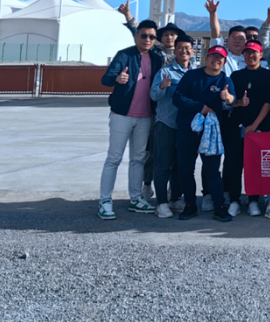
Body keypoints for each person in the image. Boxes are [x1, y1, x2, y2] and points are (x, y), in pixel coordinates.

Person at [98, 19, 164, 220]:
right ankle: (105, 201)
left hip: (145, 117)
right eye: (143, 35)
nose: (147, 39)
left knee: (137, 159)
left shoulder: (156, 59)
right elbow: (105, 79)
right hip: (122, 115)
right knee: (114, 158)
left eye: (152, 36)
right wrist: (117, 78)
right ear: (136, 36)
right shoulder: (124, 55)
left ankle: (135, 199)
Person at [172, 45, 236, 221]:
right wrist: (201, 108)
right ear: (206, 58)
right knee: (186, 169)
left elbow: (232, 99)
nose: (216, 60)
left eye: (220, 58)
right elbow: (177, 98)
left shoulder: (225, 80)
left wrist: (228, 98)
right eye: (213, 56)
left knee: (213, 171)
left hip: (211, 133)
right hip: (187, 129)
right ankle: (190, 205)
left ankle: (219, 207)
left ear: (224, 61)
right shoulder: (192, 76)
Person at [224, 39, 270, 218]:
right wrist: (237, 102)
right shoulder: (236, 76)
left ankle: (254, 200)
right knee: (234, 165)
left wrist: (254, 126)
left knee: (254, 166)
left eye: (255, 52)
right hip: (236, 127)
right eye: (247, 52)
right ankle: (234, 200)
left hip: (259, 129)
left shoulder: (268, 75)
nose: (251, 55)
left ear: (261, 55)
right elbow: (231, 101)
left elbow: (269, 102)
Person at [148, 33, 193, 218]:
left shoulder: (196, 72)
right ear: (175, 51)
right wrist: (162, 87)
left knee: (180, 166)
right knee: (163, 165)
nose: (184, 51)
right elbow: (153, 96)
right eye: (180, 48)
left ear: (192, 51)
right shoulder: (165, 72)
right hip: (167, 124)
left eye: (187, 48)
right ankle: (161, 203)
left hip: (186, 127)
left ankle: (175, 198)